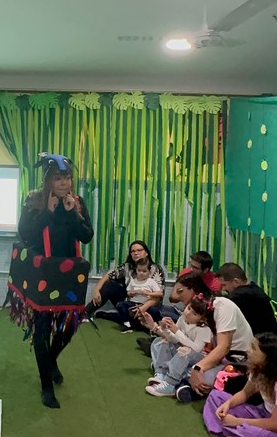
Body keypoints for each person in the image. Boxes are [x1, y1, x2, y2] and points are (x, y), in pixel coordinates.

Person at [15, 154, 93, 409]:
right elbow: (25, 235)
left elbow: (87, 236)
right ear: (48, 180)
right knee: (42, 330)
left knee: (68, 328)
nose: (64, 183)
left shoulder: (77, 202)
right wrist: (47, 213)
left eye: (67, 177)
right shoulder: (34, 201)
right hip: (42, 274)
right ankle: (46, 386)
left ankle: (50, 361)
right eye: (58, 178)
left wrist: (71, 213)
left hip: (69, 274)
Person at [203, 333, 277, 437]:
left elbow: (275, 424)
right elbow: (245, 393)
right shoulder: (259, 369)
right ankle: (232, 436)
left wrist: (237, 421)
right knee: (216, 396)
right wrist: (228, 404)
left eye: (253, 348)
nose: (248, 351)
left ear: (267, 356)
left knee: (254, 434)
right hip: (262, 413)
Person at [143, 294, 215, 397]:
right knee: (165, 342)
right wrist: (165, 329)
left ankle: (170, 384)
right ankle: (161, 373)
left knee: (185, 351)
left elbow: (196, 349)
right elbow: (173, 339)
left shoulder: (204, 329)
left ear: (202, 318)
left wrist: (176, 331)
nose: (188, 313)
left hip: (198, 358)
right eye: (189, 308)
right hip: (183, 352)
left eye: (194, 313)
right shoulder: (182, 319)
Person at [84, 240, 165, 321]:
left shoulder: (156, 269)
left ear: (146, 253)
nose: (136, 253)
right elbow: (108, 275)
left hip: (148, 306)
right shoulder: (127, 266)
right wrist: (96, 290)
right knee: (109, 285)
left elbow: (158, 296)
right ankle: (85, 313)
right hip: (130, 303)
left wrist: (143, 308)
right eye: (133, 251)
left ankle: (110, 316)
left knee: (136, 319)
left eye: (139, 250)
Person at [217, 263, 277, 336]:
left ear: (236, 281)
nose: (223, 289)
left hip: (262, 340)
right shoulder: (252, 288)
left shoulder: (241, 295)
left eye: (224, 285)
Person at [116, 258, 163, 332]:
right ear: (136, 270)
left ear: (149, 272)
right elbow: (128, 292)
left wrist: (148, 293)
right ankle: (127, 324)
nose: (141, 273)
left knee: (155, 311)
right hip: (132, 303)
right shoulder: (133, 281)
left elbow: (160, 293)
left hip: (145, 305)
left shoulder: (151, 282)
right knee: (120, 305)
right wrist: (133, 292)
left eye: (144, 271)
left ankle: (158, 326)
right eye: (139, 270)